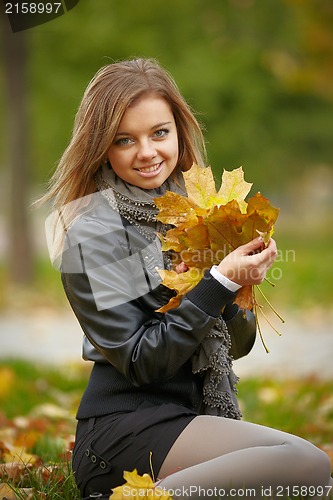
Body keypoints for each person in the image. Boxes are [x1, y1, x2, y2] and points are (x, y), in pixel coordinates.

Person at [41, 58, 332, 499]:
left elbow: (236, 345)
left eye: (159, 132)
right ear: (102, 147)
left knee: (308, 480)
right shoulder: (92, 232)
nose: (147, 151)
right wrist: (215, 284)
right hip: (123, 430)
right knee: (307, 464)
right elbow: (141, 361)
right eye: (125, 140)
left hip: (187, 419)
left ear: (178, 132)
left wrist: (236, 286)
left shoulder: (196, 215)